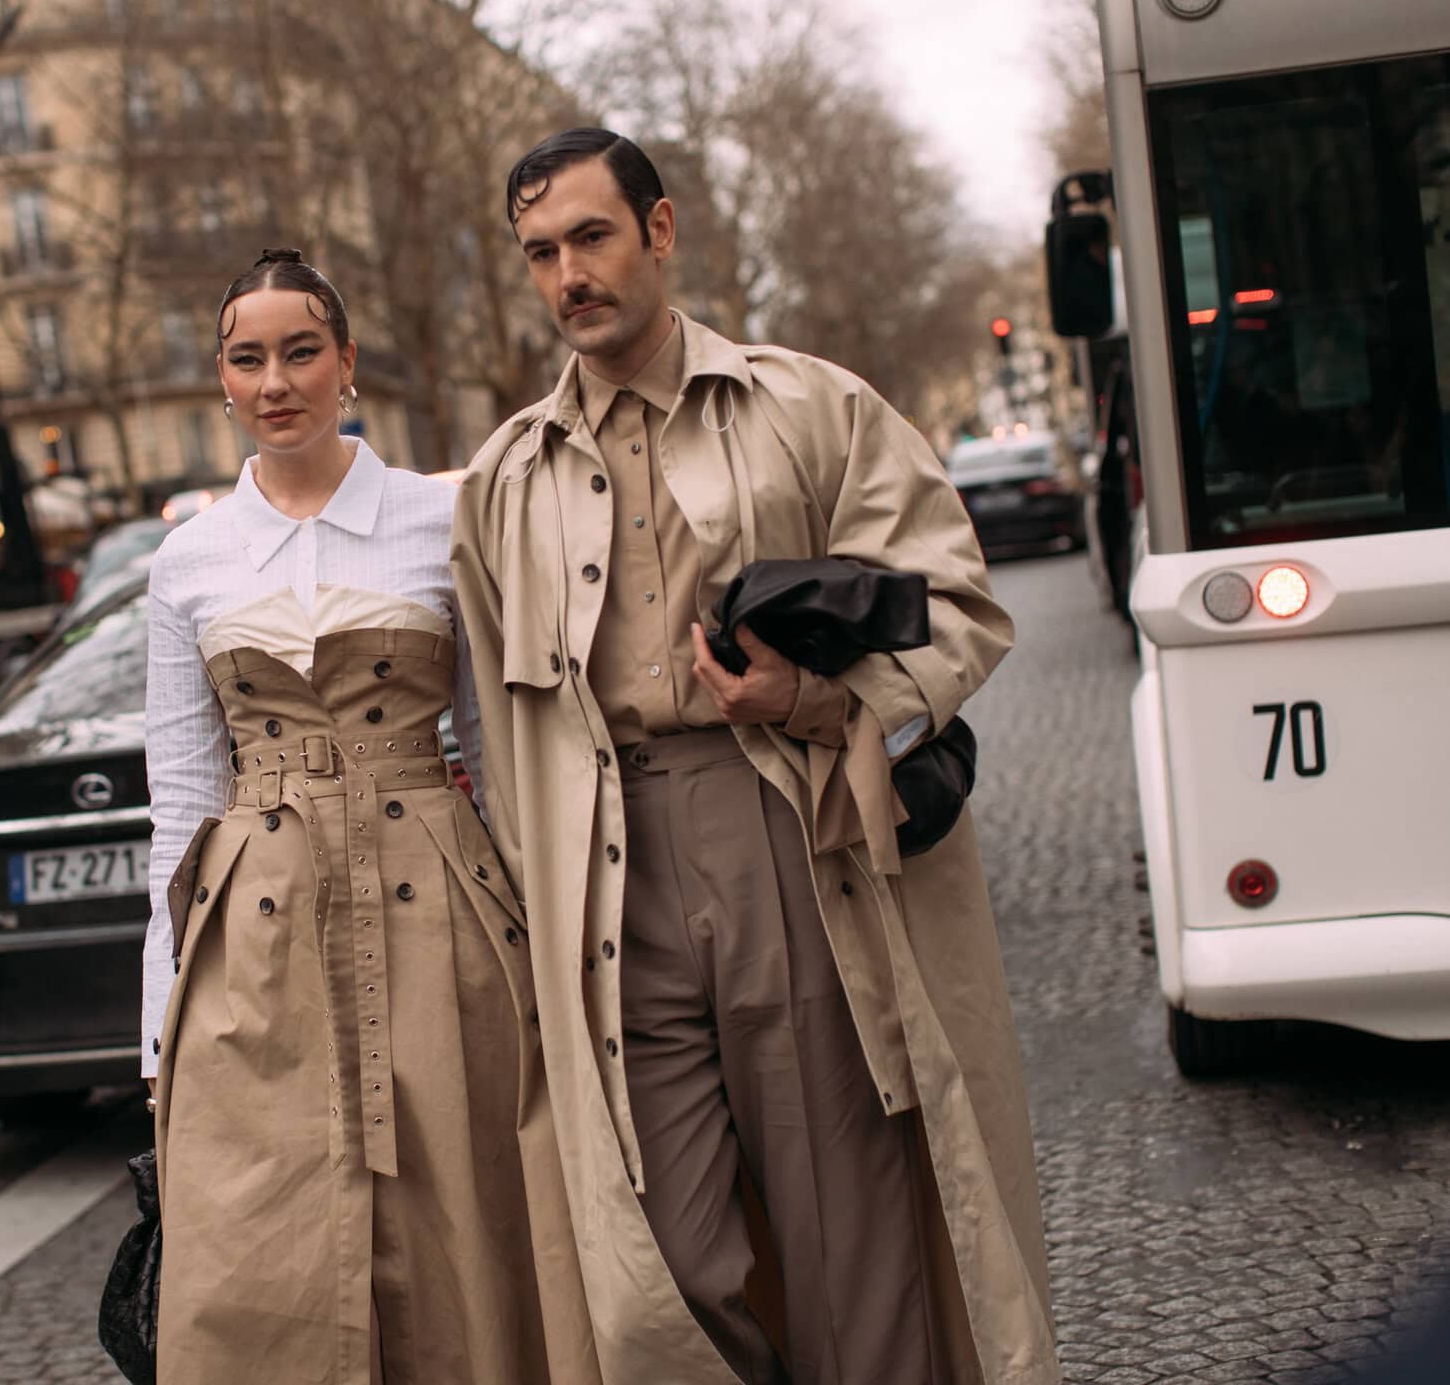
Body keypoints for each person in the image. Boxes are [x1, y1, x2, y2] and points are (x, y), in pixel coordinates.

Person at [450, 129, 1060, 1385]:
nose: (569, 274)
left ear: (660, 231)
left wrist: (820, 693)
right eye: (541, 253)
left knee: (851, 1237)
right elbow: (492, 723)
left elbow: (960, 603)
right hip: (607, 877)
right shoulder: (504, 479)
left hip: (788, 829)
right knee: (655, 1260)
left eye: (592, 237)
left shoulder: (809, 405)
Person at [140, 248, 599, 1385]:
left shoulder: (441, 520)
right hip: (253, 933)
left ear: (348, 363)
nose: (276, 379)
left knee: (465, 1212)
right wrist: (158, 1022)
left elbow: (501, 754)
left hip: (439, 906)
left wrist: (558, 947)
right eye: (249, 358)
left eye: (302, 350)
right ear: (223, 378)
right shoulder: (187, 560)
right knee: (262, 1234)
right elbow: (182, 799)